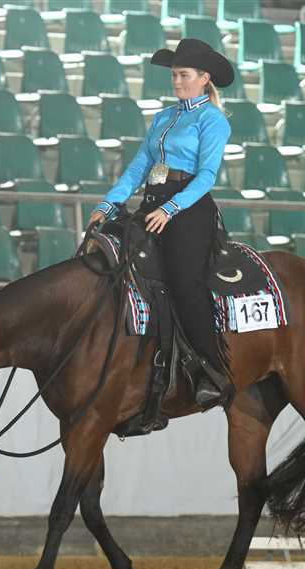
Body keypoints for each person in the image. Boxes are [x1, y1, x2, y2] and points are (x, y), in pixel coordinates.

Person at [87, 39, 234, 409]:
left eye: (184, 75)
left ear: (204, 78)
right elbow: (139, 167)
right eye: (174, 76)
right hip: (152, 203)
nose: (177, 82)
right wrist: (108, 203)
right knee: (110, 256)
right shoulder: (163, 117)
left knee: (184, 283)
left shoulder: (213, 120)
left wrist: (171, 209)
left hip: (189, 209)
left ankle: (210, 370)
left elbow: (207, 176)